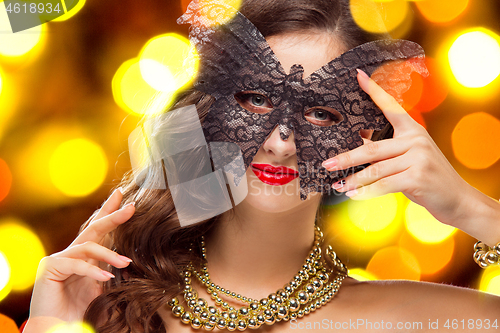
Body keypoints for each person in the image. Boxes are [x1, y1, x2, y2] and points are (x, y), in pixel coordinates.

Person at [24, 0, 500, 332]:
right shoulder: (104, 308)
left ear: (365, 134)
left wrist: (472, 210)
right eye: (256, 100)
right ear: (210, 107)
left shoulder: (420, 320)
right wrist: (51, 325)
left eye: (321, 112)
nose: (281, 141)